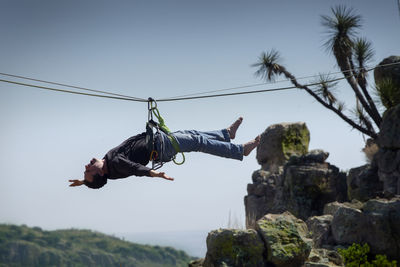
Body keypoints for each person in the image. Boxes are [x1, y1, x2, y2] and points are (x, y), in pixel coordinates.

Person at [69, 117, 260, 189]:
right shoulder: (116, 164)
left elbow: (98, 174)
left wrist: (84, 181)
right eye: (88, 170)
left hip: (158, 141)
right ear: (100, 172)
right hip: (161, 147)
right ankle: (240, 151)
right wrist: (155, 174)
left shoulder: (107, 165)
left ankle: (226, 134)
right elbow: (136, 168)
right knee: (198, 142)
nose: (86, 166)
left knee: (194, 135)